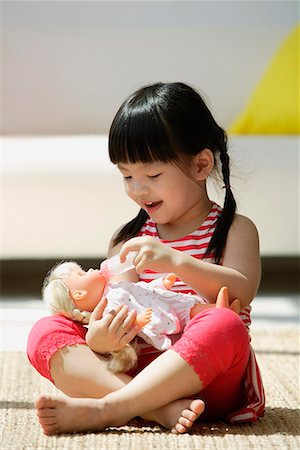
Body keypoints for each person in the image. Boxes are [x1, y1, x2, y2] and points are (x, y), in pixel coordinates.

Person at [28, 82, 265, 436]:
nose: (137, 189)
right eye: (126, 175)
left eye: (152, 175)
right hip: (135, 370)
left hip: (207, 374)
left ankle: (111, 409)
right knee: (44, 332)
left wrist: (175, 261)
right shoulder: (126, 239)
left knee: (224, 325)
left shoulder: (234, 229)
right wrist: (101, 340)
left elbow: (241, 290)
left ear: (201, 164)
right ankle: (155, 409)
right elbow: (111, 309)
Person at [42, 260, 213, 371]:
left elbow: (142, 291)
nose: (92, 270)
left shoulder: (115, 289)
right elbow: (124, 324)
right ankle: (218, 312)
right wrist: (137, 322)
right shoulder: (109, 308)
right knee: (190, 315)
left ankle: (218, 310)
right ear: (79, 294)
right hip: (160, 315)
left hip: (165, 302)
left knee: (190, 306)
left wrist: (161, 284)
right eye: (83, 274)